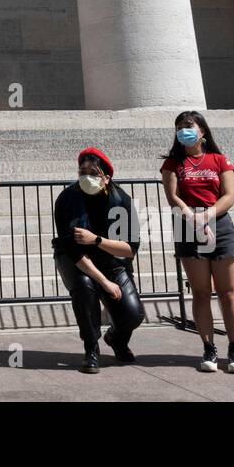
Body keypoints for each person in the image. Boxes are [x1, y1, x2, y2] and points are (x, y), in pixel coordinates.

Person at [160, 111, 234, 373]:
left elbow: (229, 196)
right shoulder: (173, 164)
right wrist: (195, 219)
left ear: (202, 131)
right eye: (179, 126)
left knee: (227, 292)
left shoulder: (219, 160)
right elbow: (174, 197)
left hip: (219, 224)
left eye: (188, 125)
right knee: (200, 292)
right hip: (188, 226)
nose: (183, 130)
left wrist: (207, 215)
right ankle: (208, 347)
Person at [52, 147, 143, 373]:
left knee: (133, 314)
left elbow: (130, 248)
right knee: (84, 287)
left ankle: (117, 339)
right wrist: (104, 282)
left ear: (106, 178)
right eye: (82, 172)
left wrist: (96, 240)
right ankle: (91, 348)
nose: (86, 177)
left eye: (93, 173)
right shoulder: (67, 199)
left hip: (111, 259)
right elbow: (74, 251)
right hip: (77, 261)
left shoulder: (121, 200)